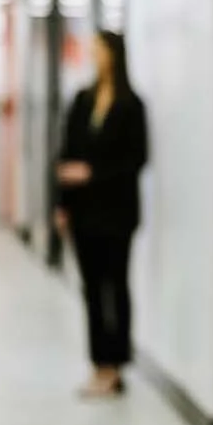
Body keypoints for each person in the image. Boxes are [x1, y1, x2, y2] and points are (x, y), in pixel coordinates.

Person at [54, 31, 148, 398]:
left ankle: (117, 365)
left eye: (99, 50)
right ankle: (99, 365)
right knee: (92, 289)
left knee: (117, 288)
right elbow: (66, 152)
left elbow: (137, 158)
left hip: (117, 212)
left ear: (115, 55)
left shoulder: (131, 104)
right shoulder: (83, 100)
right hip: (83, 212)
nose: (94, 56)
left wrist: (93, 172)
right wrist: (61, 203)